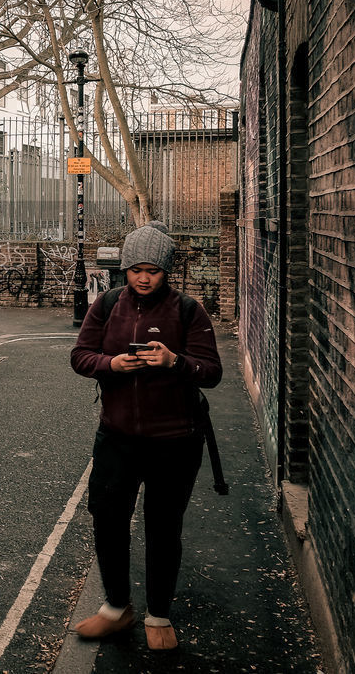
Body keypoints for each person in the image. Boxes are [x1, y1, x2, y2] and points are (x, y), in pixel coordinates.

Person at [69, 221, 223, 651]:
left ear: (165, 270)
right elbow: (80, 356)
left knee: (162, 526)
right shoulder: (107, 305)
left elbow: (211, 372)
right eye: (135, 268)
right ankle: (117, 608)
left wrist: (175, 361)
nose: (142, 277)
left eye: (152, 270)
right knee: (108, 520)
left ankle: (158, 613)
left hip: (174, 439)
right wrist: (111, 365)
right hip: (116, 437)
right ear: (125, 267)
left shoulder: (188, 310)